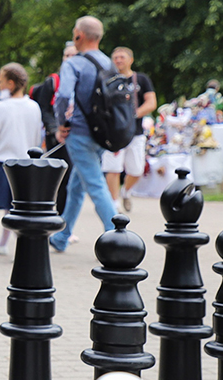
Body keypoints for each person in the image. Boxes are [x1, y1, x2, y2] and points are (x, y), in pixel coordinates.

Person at [48, 16, 118, 253]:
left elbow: (64, 96)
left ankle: (117, 236)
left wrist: (61, 124)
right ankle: (62, 236)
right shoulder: (110, 63)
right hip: (102, 135)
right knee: (77, 186)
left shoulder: (73, 63)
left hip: (79, 133)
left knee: (96, 185)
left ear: (79, 35)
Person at [0, 63, 42, 255]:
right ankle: (5, 241)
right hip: (26, 162)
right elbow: (36, 137)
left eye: (1, 81)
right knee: (18, 205)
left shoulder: (1, 108)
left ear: (10, 83)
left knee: (10, 207)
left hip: (4, 163)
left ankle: (19, 244)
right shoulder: (34, 107)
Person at [101, 47, 157, 212]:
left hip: (135, 132)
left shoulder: (140, 79)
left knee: (137, 169)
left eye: (122, 57)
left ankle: (126, 191)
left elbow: (151, 102)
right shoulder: (107, 80)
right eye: (115, 57)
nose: (118, 60)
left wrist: (133, 115)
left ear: (130, 59)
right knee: (113, 168)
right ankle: (114, 203)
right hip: (113, 132)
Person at [29, 42, 78, 214]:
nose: (70, 59)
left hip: (77, 136)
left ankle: (64, 220)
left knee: (71, 180)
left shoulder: (84, 81)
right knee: (56, 177)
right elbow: (43, 108)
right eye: (67, 56)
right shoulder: (53, 81)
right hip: (56, 137)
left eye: (74, 55)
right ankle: (50, 213)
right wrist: (55, 129)